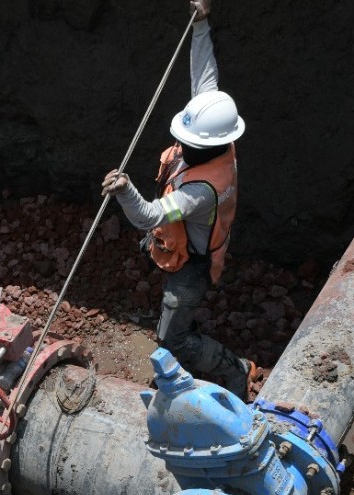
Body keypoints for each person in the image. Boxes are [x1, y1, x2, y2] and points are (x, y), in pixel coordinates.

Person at [102, 0, 255, 398]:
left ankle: (235, 370)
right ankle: (193, 335)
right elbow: (205, 77)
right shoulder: (214, 138)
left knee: (172, 340)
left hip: (193, 269)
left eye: (189, 142)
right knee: (178, 325)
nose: (181, 145)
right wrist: (201, 25)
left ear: (209, 143)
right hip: (187, 242)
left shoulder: (201, 193)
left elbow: (149, 216)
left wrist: (124, 191)